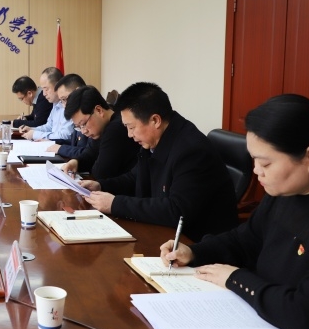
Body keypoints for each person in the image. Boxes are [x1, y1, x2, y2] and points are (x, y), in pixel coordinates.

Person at [161, 94, 309, 329]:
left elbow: (307, 313)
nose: (256, 171)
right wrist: (194, 251)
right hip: (265, 322)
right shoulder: (286, 191)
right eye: (253, 160)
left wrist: (236, 279)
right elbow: (246, 240)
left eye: (265, 163)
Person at [80, 82, 238, 241]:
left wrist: (115, 204)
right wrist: (101, 186)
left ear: (155, 120)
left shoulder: (192, 151)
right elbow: (135, 176)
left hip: (196, 242)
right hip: (164, 233)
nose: (129, 134)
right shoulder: (155, 139)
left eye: (131, 127)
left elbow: (176, 211)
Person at [62, 85, 140, 179]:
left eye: (84, 124)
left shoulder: (116, 128)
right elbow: (90, 153)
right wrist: (75, 162)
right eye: (78, 127)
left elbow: (100, 173)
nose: (83, 131)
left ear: (99, 110)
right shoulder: (102, 127)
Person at [19, 67, 74, 142]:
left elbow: (65, 136)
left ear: (58, 86)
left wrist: (35, 134)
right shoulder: (55, 104)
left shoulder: (68, 105)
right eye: (43, 89)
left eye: (46, 89)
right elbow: (49, 126)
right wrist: (32, 129)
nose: (44, 94)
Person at [44, 73, 90, 158]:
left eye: (65, 99)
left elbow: (88, 153)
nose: (64, 106)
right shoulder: (76, 114)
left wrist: (60, 148)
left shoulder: (89, 116)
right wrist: (52, 142)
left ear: (78, 91)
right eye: (61, 101)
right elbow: (73, 143)